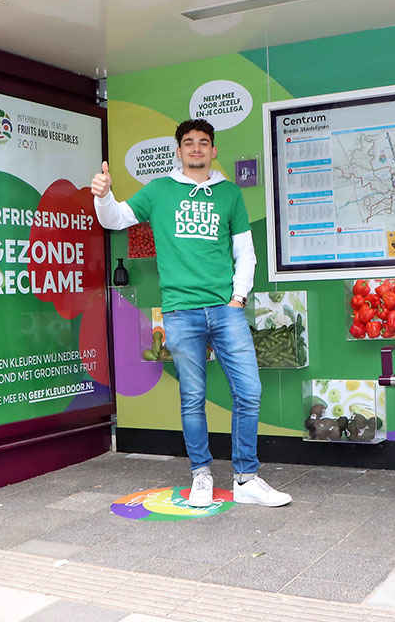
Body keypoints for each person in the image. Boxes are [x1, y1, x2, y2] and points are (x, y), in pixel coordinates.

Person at [90, 118, 291, 508]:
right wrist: (103, 195)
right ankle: (201, 474)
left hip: (225, 309)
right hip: (181, 311)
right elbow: (114, 219)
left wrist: (238, 298)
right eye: (188, 143)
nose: (196, 148)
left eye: (203, 142)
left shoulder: (230, 194)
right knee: (193, 397)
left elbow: (244, 253)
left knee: (249, 391)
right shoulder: (159, 191)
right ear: (178, 151)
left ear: (213, 151)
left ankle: (246, 478)